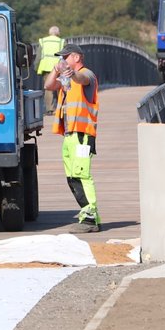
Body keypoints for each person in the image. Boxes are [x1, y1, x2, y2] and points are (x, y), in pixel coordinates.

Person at [44, 43, 101, 233]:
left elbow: (82, 78)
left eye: (66, 57)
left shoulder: (87, 75)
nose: (63, 60)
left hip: (82, 134)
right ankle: (89, 214)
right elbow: (48, 85)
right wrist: (56, 69)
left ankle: (90, 220)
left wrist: (71, 73)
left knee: (82, 174)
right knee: (72, 177)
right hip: (69, 134)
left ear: (76, 57)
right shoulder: (66, 79)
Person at [36, 26, 64, 111]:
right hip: (58, 66)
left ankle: (49, 109)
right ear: (58, 33)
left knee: (48, 88)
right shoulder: (61, 41)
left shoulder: (43, 41)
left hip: (46, 67)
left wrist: (36, 66)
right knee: (60, 86)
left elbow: (38, 55)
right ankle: (61, 106)